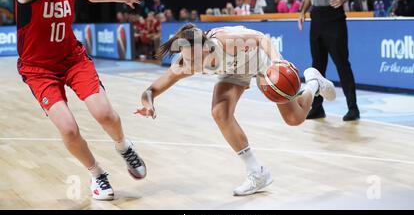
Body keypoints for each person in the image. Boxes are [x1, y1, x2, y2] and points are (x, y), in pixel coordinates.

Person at [13, 0, 147, 200]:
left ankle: (124, 147)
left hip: (72, 59)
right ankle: (97, 175)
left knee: (106, 115)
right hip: (39, 70)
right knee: (70, 130)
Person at [135, 24, 336, 196]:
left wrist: (276, 61)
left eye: (195, 60)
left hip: (260, 61)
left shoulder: (226, 41)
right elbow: (150, 90)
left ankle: (313, 84)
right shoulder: (185, 63)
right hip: (234, 72)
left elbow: (261, 39)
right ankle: (257, 173)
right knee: (219, 112)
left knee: (294, 118)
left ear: (207, 48)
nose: (191, 66)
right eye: (187, 60)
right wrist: (148, 102)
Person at [299, 0, 360, 121]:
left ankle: (353, 108)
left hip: (334, 19)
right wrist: (302, 11)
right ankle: (317, 108)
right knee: (317, 67)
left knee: (342, 64)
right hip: (316, 18)